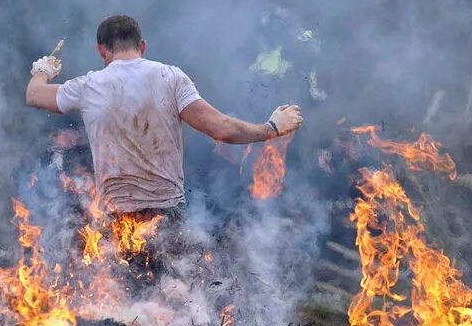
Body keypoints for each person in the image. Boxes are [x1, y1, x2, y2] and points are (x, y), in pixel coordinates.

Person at [25, 14, 304, 223]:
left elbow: (34, 95)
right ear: (142, 46)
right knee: (174, 297)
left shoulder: (88, 86)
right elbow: (221, 129)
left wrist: (43, 70)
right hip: (167, 216)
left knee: (122, 300)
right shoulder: (170, 77)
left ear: (101, 49)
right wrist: (271, 128)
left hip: (117, 218)